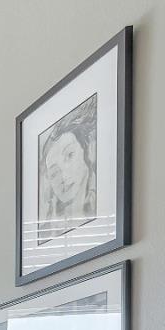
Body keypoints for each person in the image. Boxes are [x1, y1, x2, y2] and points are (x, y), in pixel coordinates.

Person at [39, 103, 97, 244]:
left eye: (70, 155)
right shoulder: (45, 232)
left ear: (86, 150)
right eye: (53, 173)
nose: (63, 177)